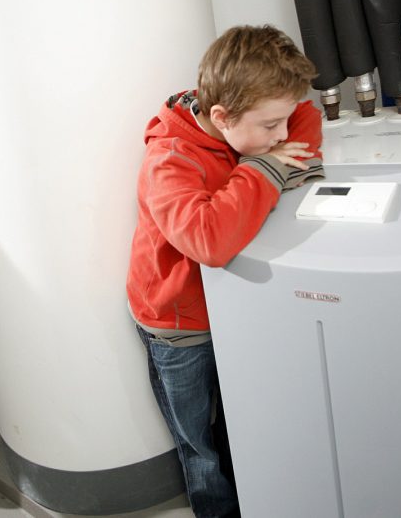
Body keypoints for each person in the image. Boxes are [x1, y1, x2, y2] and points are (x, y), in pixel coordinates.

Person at [126, 25, 324, 517]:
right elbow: (210, 241)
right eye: (271, 125)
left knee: (240, 420)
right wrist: (267, 169)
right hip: (180, 325)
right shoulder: (169, 159)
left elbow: (307, 117)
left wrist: (269, 155)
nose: (284, 135)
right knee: (199, 446)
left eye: (282, 122)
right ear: (220, 117)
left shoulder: (254, 116)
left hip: (233, 307)